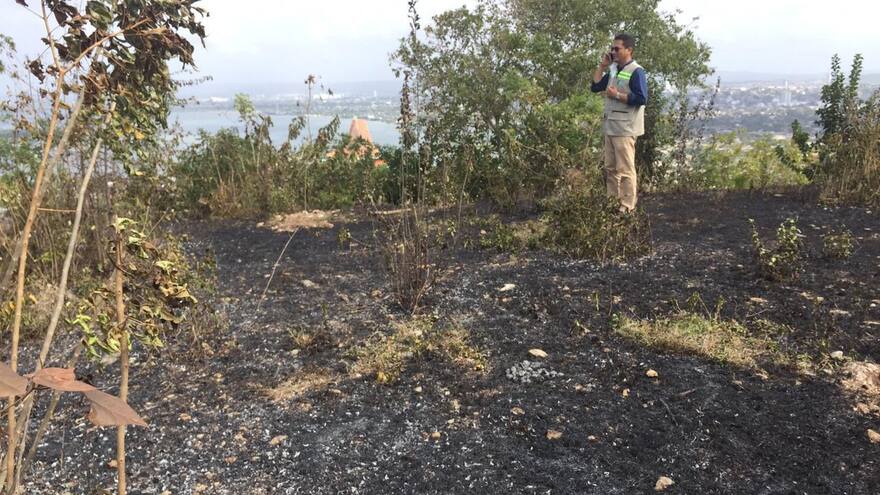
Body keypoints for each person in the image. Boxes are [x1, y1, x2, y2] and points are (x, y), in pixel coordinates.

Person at [590, 33, 648, 212]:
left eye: (617, 48)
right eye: (612, 48)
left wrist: (617, 96)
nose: (613, 51)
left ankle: (627, 206)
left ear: (629, 50)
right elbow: (595, 86)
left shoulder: (636, 71)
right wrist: (602, 65)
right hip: (611, 127)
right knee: (610, 168)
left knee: (625, 169)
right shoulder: (614, 70)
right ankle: (612, 203)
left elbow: (641, 98)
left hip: (625, 128)